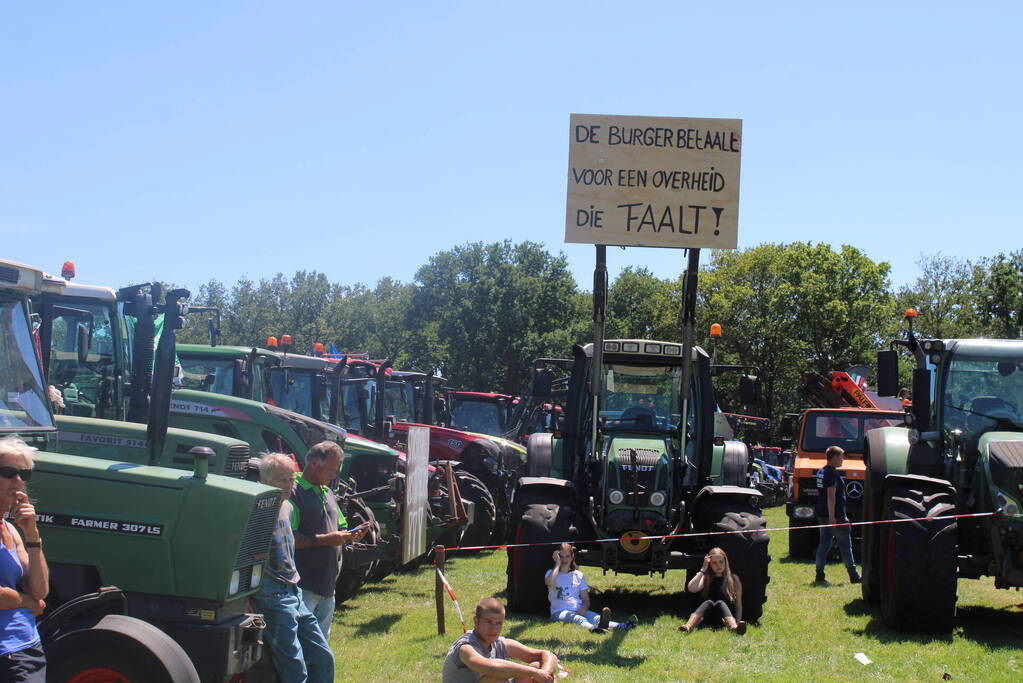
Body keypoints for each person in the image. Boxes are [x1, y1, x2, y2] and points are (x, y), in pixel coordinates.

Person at [251, 452, 334, 683]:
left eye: (291, 479)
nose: (290, 486)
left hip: (294, 589)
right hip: (272, 593)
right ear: (265, 480)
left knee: (323, 657)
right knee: (294, 667)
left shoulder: (287, 505)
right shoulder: (256, 508)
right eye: (282, 480)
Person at [291, 441, 366, 638]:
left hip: (327, 586)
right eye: (331, 470)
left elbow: (340, 526)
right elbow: (291, 540)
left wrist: (350, 535)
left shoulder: (327, 492)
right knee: (301, 643)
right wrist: (328, 540)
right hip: (303, 586)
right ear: (315, 463)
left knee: (320, 647)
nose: (334, 476)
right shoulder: (294, 493)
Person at [0, 437, 48, 682]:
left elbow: (40, 591)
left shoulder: (10, 530)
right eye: (8, 472)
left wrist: (32, 534)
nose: (18, 481)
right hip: (6, 655)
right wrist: (27, 603)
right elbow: (34, 601)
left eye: (24, 474)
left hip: (27, 648)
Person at [442, 597, 560, 683]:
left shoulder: (500, 643)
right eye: (488, 622)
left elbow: (547, 654)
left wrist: (545, 673)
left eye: (498, 623)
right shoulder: (465, 647)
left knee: (537, 665)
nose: (493, 629)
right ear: (476, 621)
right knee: (495, 681)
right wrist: (534, 673)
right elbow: (491, 668)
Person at [545, 543, 636, 633]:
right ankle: (595, 629)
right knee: (578, 619)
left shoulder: (579, 575)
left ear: (572, 557)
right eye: (561, 557)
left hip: (578, 609)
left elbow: (585, 599)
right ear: (556, 557)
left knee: (597, 618)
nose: (564, 560)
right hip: (559, 612)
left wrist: (584, 608)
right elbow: (549, 583)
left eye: (567, 556)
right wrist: (557, 564)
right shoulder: (551, 573)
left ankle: (624, 626)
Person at [814, 445, 861, 585]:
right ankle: (854, 576)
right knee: (846, 545)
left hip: (822, 514)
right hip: (836, 516)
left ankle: (819, 574)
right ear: (834, 458)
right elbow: (831, 496)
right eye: (841, 457)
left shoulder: (821, 471)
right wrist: (832, 517)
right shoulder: (832, 474)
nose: (843, 460)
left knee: (823, 545)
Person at [679, 547, 745, 634]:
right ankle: (688, 626)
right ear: (710, 564)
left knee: (720, 603)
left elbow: (738, 604)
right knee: (708, 602)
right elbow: (691, 588)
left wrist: (738, 621)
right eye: (714, 563)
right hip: (707, 617)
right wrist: (703, 569)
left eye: (721, 562)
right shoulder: (706, 578)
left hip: (724, 619)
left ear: (726, 562)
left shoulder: (733, 579)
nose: (718, 565)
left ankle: (734, 628)